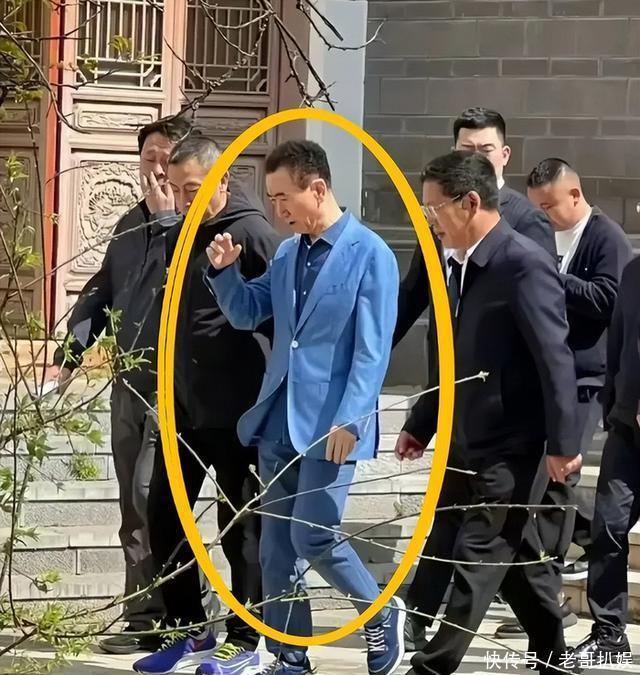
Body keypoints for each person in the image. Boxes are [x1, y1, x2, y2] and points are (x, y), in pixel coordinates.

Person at [204, 140, 404, 675]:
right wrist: (225, 273)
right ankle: (290, 658)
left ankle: (381, 612)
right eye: (270, 199)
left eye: (283, 197)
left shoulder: (371, 254)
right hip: (277, 419)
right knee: (275, 549)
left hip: (332, 424)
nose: (276, 209)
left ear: (317, 188)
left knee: (312, 533)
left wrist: (351, 417)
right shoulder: (288, 252)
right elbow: (249, 314)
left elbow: (372, 351)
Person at [396, 151, 581, 675]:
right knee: (515, 557)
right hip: (463, 440)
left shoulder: (522, 263)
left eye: (435, 208)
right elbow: (453, 360)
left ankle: (430, 667)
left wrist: (564, 444)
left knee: (476, 556)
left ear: (470, 202)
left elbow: (555, 358)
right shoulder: (456, 265)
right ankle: (555, 658)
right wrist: (422, 423)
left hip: (512, 446)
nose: (430, 220)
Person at [131, 136, 281, 675]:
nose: (184, 199)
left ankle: (245, 638)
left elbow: (280, 321)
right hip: (184, 406)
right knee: (164, 514)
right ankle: (189, 629)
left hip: (241, 410)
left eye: (194, 189)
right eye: (177, 189)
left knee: (241, 526)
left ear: (222, 180)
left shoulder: (253, 232)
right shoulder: (182, 231)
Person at [47, 115, 196, 655]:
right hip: (128, 383)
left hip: (175, 387)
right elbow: (101, 289)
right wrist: (71, 354)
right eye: (149, 158)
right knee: (132, 508)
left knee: (152, 497)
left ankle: (181, 613)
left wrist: (169, 221)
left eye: (166, 159)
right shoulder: (130, 223)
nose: (156, 169)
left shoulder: (199, 225)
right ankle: (146, 616)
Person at [495, 158, 633, 638]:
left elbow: (608, 301)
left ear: (575, 195)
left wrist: (554, 274)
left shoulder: (607, 239)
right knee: (548, 482)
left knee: (560, 476)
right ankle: (567, 558)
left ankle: (550, 593)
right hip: (547, 375)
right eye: (537, 207)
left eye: (550, 206)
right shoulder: (541, 235)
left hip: (586, 379)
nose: (544, 216)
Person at [394, 106, 555, 346]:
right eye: (467, 150)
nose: (476, 159)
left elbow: (542, 308)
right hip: (444, 359)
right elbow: (415, 293)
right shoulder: (438, 210)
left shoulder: (528, 219)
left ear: (505, 154)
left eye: (486, 150)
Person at [571, 255, 640, 662]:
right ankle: (609, 634)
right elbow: (617, 343)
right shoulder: (632, 273)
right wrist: (612, 407)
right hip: (626, 431)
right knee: (608, 527)